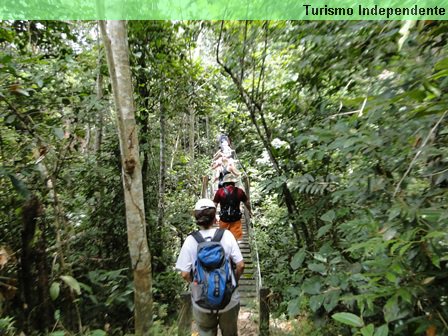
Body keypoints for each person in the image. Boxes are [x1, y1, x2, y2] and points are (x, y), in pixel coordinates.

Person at [176, 198, 245, 336]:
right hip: (228, 299)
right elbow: (241, 265)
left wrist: (196, 286)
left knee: (206, 331)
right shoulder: (226, 235)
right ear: (215, 218)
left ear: (196, 218)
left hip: (202, 301)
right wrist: (234, 281)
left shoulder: (191, 240)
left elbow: (184, 274)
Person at [213, 174, 252, 241]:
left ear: (225, 183)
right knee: (235, 239)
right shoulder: (240, 191)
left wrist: (213, 216)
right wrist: (250, 211)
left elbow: (215, 205)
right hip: (236, 219)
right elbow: (247, 203)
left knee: (223, 239)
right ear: (234, 182)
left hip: (224, 219)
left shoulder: (220, 191)